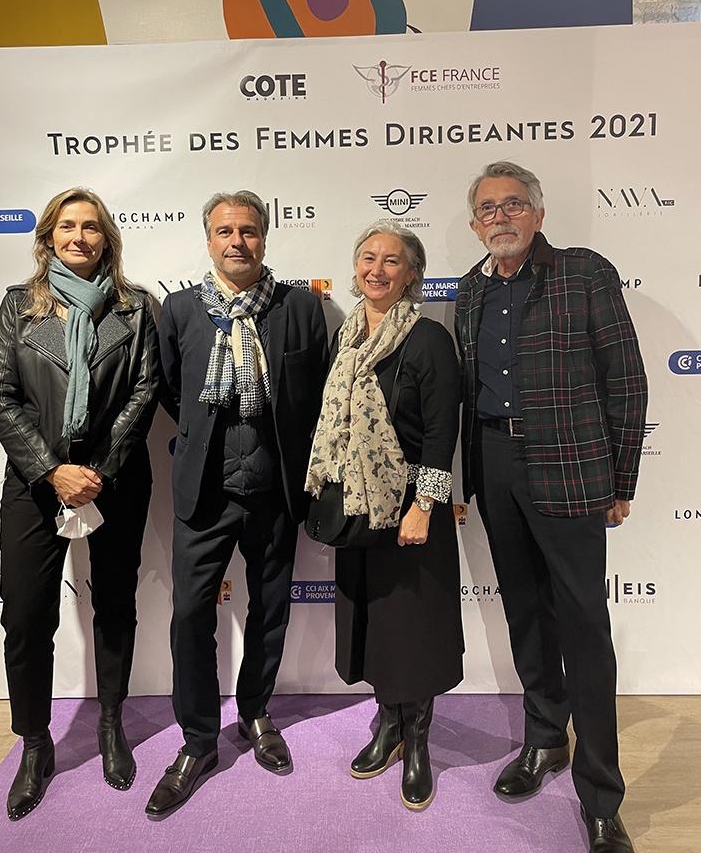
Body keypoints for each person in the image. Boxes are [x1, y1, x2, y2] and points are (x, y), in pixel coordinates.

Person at [455, 162, 647, 853]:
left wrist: (621, 480)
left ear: (537, 214)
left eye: (512, 205)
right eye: (487, 209)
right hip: (495, 462)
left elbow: (626, 379)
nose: (499, 217)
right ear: (474, 224)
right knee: (525, 611)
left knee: (584, 627)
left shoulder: (584, 272)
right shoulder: (471, 290)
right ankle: (544, 739)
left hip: (571, 468)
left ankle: (601, 794)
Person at [146, 190, 329, 818]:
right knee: (189, 616)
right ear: (208, 240)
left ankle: (255, 712)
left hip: (276, 491)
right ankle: (198, 740)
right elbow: (170, 389)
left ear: (265, 237)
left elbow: (315, 391)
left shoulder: (300, 307)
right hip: (203, 492)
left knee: (271, 610)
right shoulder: (179, 311)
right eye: (224, 231)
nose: (237, 242)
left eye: (248, 230)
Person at [0, 188, 160, 820]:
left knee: (114, 605)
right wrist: (51, 469)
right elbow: (1, 396)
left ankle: (111, 725)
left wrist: (97, 471)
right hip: (35, 482)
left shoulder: (136, 309)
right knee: (27, 617)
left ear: (106, 237)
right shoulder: (19, 306)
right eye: (67, 227)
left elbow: (145, 391)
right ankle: (36, 744)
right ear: (49, 238)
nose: (79, 237)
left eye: (90, 227)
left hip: (114, 479)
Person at [306, 221, 463, 812]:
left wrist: (424, 506)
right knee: (372, 622)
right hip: (357, 506)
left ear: (411, 274)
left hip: (410, 508)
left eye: (391, 260)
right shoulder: (346, 336)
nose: (377, 269)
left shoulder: (427, 339)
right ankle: (388, 724)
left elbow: (441, 431)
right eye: (367, 257)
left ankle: (417, 739)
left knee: (413, 628)